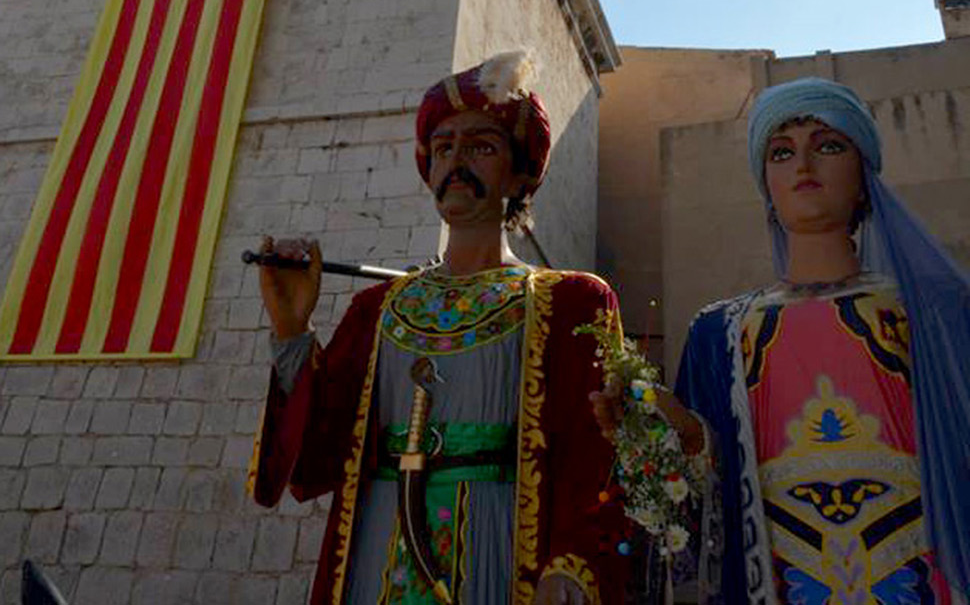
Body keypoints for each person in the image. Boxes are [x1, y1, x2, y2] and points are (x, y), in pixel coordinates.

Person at [251, 51, 627, 605]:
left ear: (520, 170)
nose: (457, 161)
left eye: (481, 146)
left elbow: (594, 453)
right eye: (444, 147)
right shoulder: (375, 308)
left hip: (497, 554)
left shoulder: (573, 300)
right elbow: (314, 464)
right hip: (377, 548)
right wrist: (291, 333)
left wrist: (569, 565)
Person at [596, 76, 970, 604]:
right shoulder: (718, 333)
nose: (803, 165)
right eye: (781, 152)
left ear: (863, 177)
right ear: (764, 185)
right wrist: (660, 431)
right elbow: (702, 501)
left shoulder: (936, 313)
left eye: (829, 145)